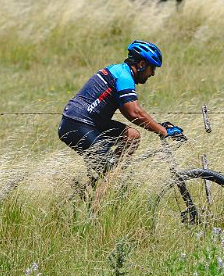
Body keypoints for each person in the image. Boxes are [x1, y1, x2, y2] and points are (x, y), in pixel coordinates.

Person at [58, 40, 183, 180]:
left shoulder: (120, 71)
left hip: (88, 121)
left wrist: (159, 126)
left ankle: (108, 180)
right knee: (109, 173)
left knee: (132, 136)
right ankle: (104, 190)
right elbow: (133, 112)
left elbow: (130, 111)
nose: (153, 73)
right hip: (77, 123)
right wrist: (163, 131)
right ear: (142, 64)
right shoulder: (123, 76)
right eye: (152, 68)